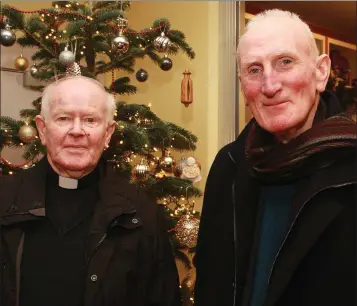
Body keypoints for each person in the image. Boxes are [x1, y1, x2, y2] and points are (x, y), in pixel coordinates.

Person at [194, 9, 356, 306]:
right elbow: (211, 279)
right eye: (254, 70)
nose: (270, 86)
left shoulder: (351, 165)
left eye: (285, 62)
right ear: (243, 85)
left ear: (321, 72)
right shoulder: (228, 165)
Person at [0, 75, 181, 306]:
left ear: (107, 134)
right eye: (64, 118)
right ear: (42, 130)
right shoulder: (4, 200)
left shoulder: (139, 213)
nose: (77, 131)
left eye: (90, 120)